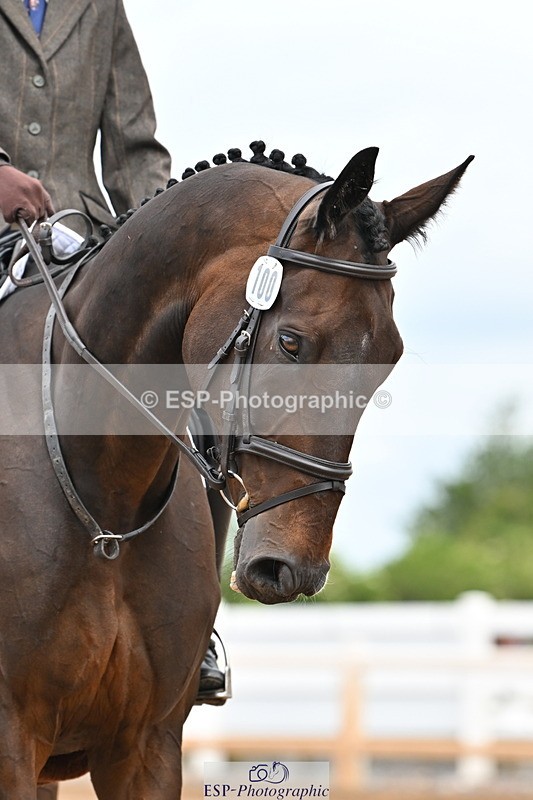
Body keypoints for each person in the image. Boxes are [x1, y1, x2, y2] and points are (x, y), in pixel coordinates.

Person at [0, 0, 225, 702]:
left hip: (83, 242)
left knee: (190, 397)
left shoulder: (97, 4)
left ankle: (195, 626)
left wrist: (162, 248)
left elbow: (133, 141)